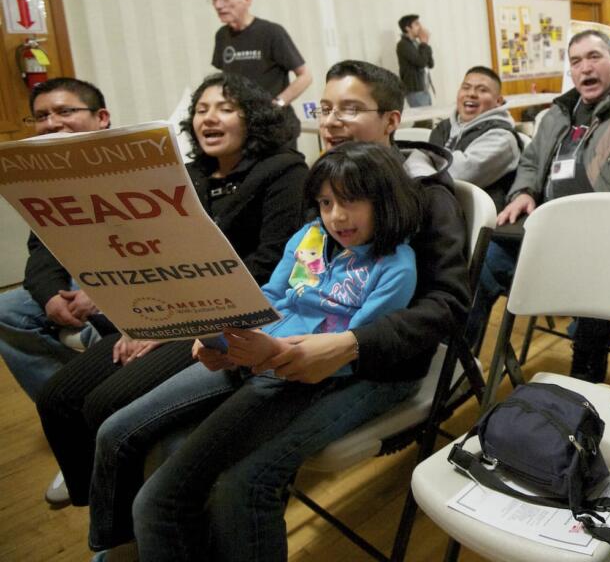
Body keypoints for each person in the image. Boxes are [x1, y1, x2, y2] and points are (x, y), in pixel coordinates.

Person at [87, 60, 468, 560]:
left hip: (364, 364)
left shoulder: (426, 199)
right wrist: (220, 323)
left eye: (349, 109)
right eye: (324, 107)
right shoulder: (325, 192)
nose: (330, 121)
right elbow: (286, 281)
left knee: (224, 484)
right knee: (127, 435)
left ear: (392, 120)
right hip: (273, 346)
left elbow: (448, 305)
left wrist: (350, 344)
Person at [109, 142, 423, 561]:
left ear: (385, 199)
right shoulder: (310, 237)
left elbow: (350, 348)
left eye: (351, 201)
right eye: (326, 202)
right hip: (262, 359)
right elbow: (273, 295)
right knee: (134, 439)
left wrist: (265, 352)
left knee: (188, 487)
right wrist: (223, 325)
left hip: (302, 374)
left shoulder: (394, 265)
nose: (337, 216)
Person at [35, 73, 306, 545]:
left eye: (224, 107)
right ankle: (101, 508)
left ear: (253, 118)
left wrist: (172, 320)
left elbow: (267, 264)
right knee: (57, 398)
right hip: (168, 308)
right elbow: (158, 254)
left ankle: (122, 540)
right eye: (200, 109)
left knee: (106, 403)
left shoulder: (284, 172)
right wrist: (145, 312)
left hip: (230, 313)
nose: (208, 117)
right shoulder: (191, 175)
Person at [476, 10, 610, 373]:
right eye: (576, 61)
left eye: (594, 57)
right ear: (570, 72)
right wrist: (523, 191)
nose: (585, 67)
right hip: (555, 239)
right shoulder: (557, 114)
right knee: (489, 258)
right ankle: (463, 361)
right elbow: (530, 161)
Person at [0, 78, 112, 406]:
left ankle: (107, 401)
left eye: (64, 111)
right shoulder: (47, 174)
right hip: (76, 280)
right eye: (41, 116)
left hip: (128, 280)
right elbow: (41, 248)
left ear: (101, 118)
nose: (51, 124)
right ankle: (67, 408)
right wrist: (49, 296)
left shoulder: (135, 161)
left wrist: (106, 289)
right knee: (7, 310)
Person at [210, 0, 312, 114]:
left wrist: (277, 104)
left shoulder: (271, 32)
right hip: (241, 121)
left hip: (273, 123)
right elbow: (226, 78)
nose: (218, 5)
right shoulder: (221, 35)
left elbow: (305, 76)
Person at [429, 65, 522, 208]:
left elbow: (458, 174)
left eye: (482, 90)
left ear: (499, 101)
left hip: (473, 221)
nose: (471, 94)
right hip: (439, 209)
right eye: (466, 87)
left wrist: (429, 165)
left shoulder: (503, 138)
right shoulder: (443, 127)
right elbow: (416, 161)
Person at [396, 13, 434, 107]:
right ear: (408, 28)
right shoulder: (403, 45)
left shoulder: (417, 44)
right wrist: (424, 43)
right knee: (424, 120)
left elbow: (430, 63)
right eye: (417, 24)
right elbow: (421, 62)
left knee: (426, 120)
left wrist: (425, 44)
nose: (420, 28)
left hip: (424, 88)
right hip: (415, 90)